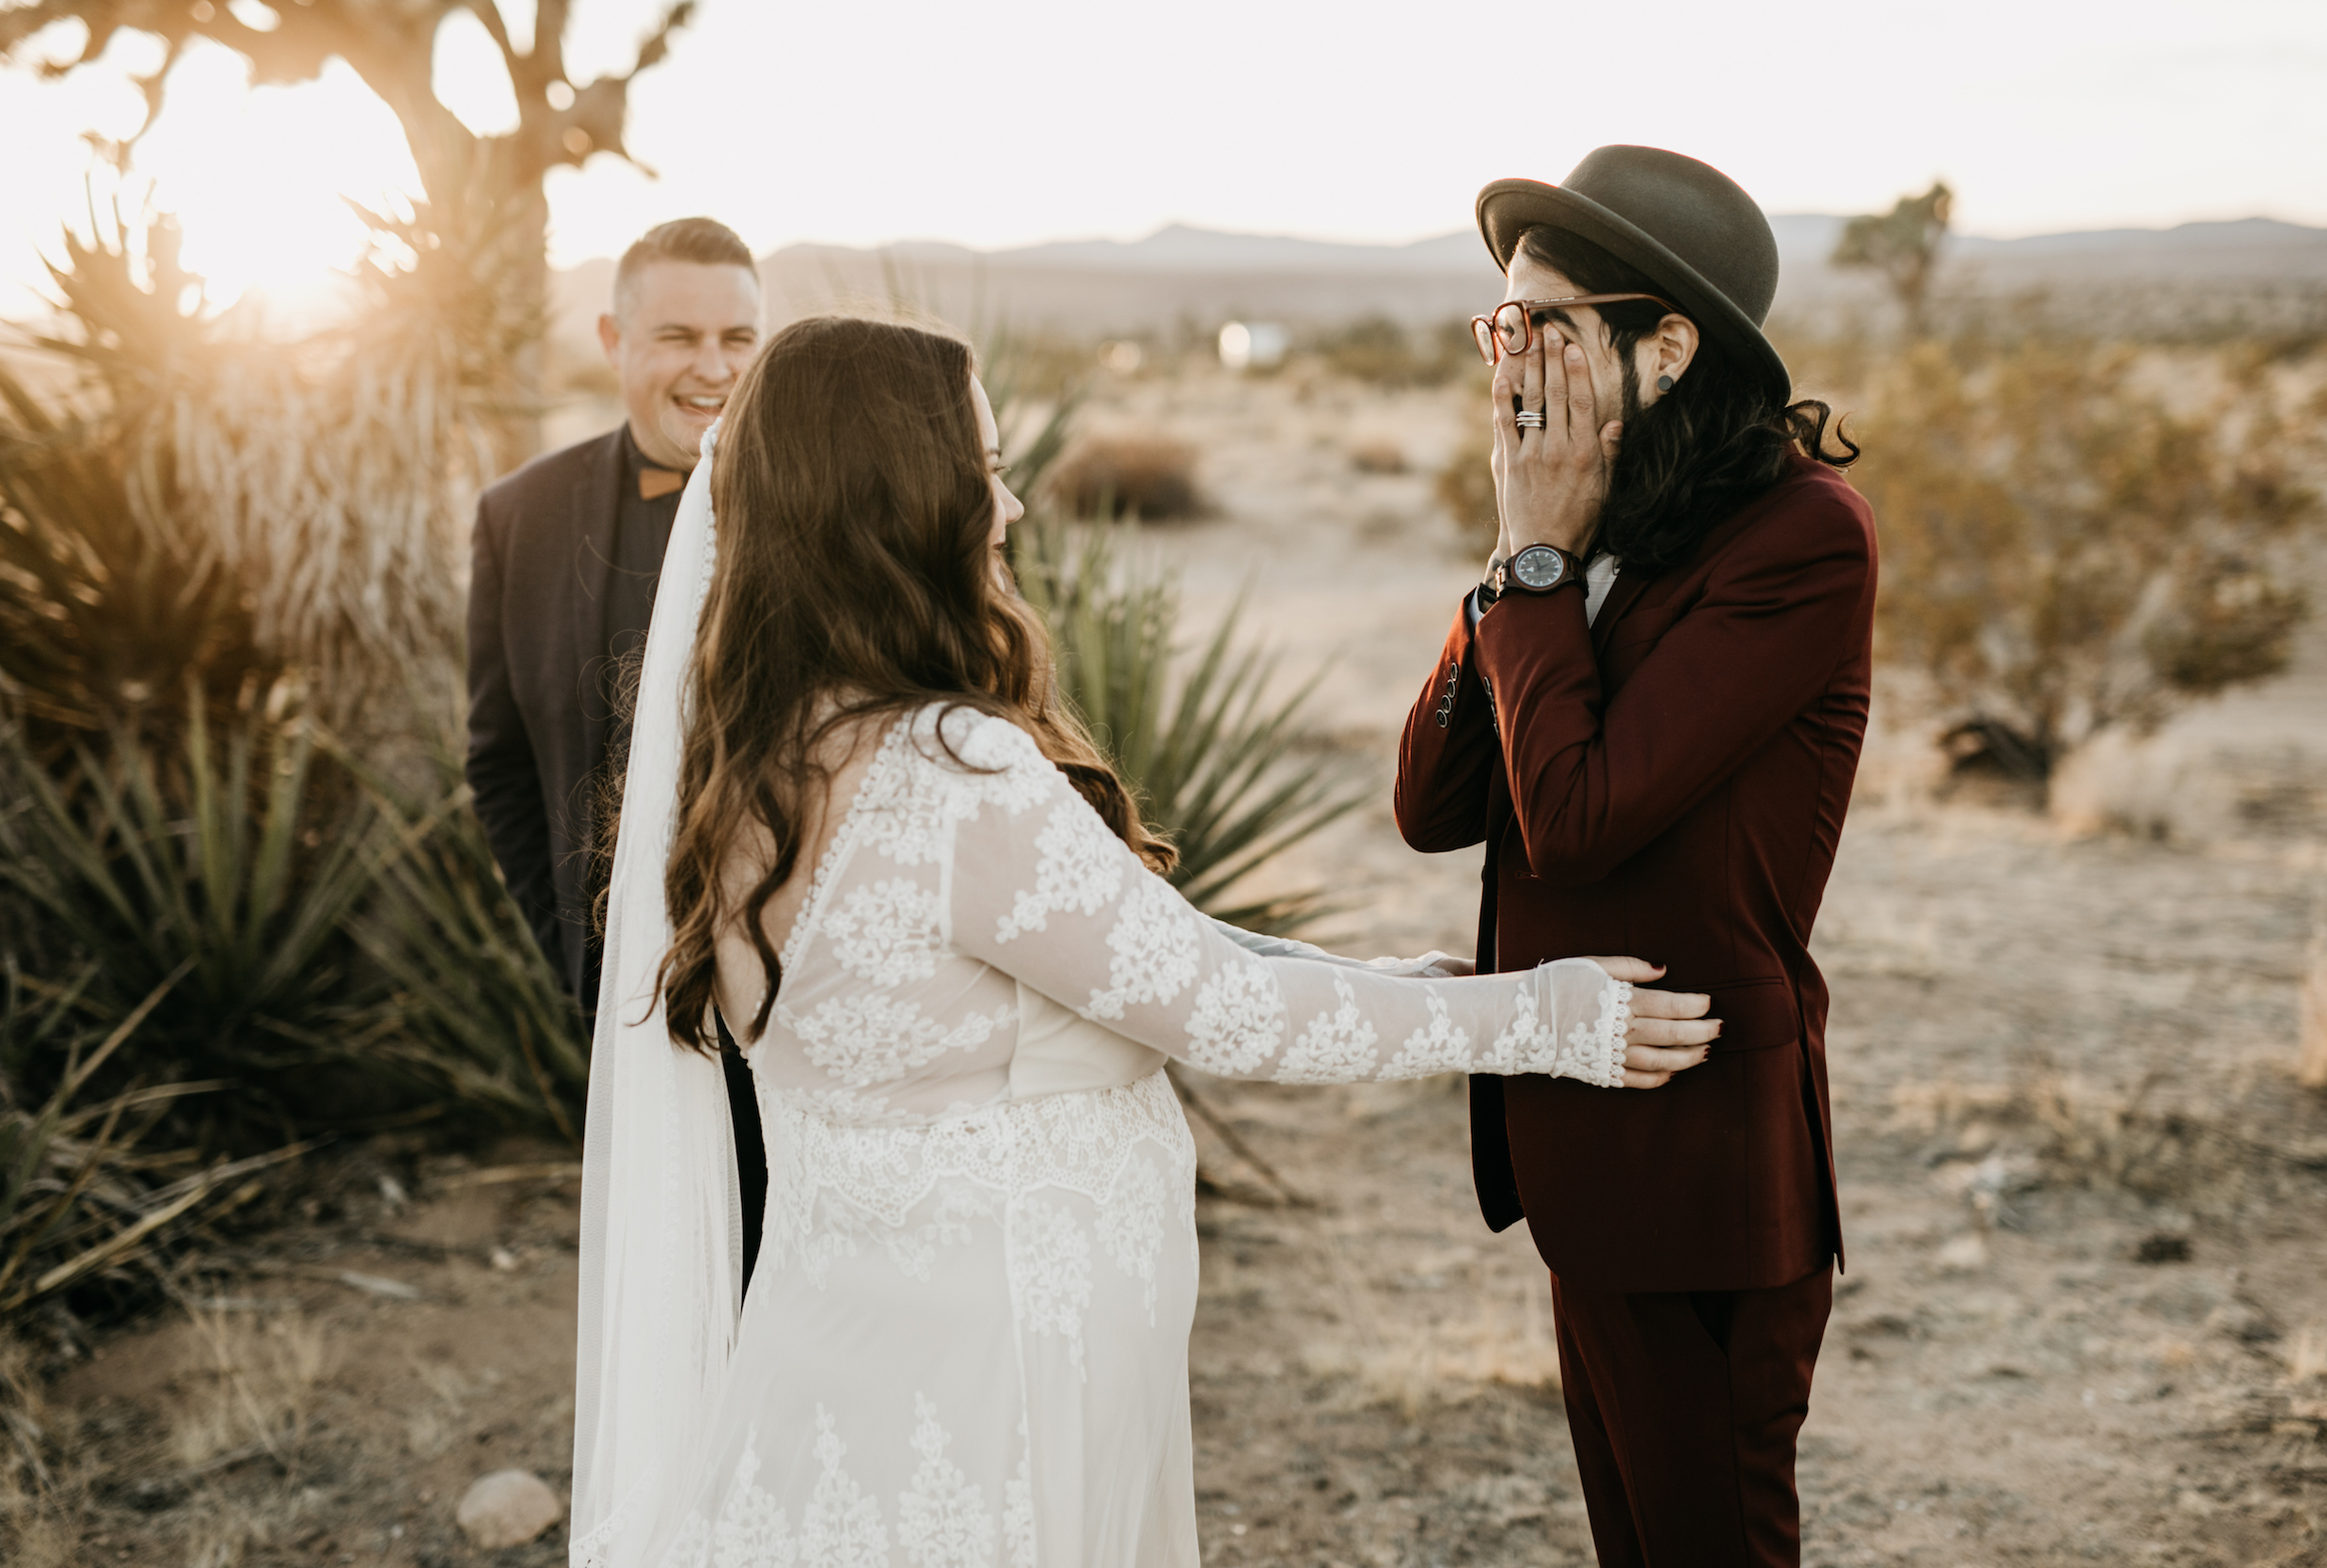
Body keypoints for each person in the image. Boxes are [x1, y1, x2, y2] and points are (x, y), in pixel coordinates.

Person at [570, 314, 1727, 1568]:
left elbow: (1132, 948)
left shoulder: (749, 760)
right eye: (984, 469)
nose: (1007, 505)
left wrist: (1408, 980)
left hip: (839, 1342)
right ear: (899, 501)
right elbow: (1222, 1006)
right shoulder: (951, 771)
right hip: (998, 1366)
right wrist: (1541, 1019)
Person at [1393, 145, 1877, 1568]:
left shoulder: (1797, 540)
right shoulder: (1584, 523)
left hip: (1703, 1173)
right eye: (1503, 321)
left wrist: (1538, 568)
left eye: (1545, 323)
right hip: (1583, 1152)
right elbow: (1433, 801)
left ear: (1666, 345)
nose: (1511, 359)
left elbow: (1583, 813)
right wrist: (1511, 559)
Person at [465, 217, 772, 1288]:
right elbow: (498, 759)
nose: (714, 367)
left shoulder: (817, 513)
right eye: (679, 334)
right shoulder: (522, 517)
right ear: (613, 337)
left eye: (739, 335)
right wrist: (577, 954)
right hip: (627, 997)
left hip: (804, 995)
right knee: (670, 1280)